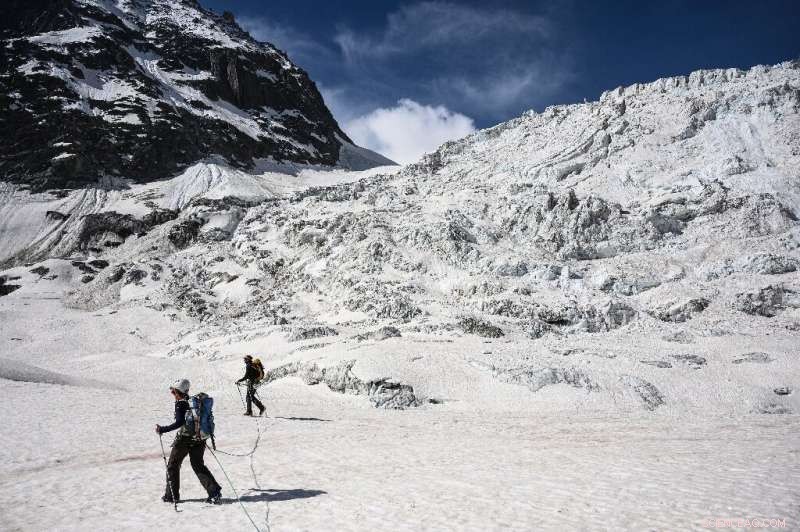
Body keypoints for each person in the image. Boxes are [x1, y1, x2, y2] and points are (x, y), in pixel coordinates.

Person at [155, 378, 222, 504]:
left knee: (173, 466)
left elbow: (179, 422)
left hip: (184, 440)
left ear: (178, 391)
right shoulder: (193, 402)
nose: (172, 394)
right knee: (198, 465)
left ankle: (171, 496)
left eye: (173, 392)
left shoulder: (181, 403)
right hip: (199, 438)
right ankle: (214, 492)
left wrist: (163, 429)